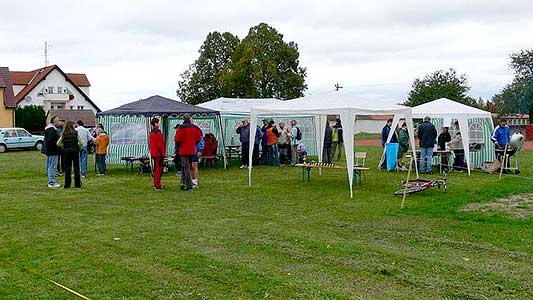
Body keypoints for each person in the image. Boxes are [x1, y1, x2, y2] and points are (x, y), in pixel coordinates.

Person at [175, 114, 202, 191]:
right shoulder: (195, 128)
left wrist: (179, 147)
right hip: (192, 150)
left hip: (183, 150)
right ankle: (182, 183)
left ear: (183, 119)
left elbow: (177, 139)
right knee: (185, 166)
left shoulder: (181, 128)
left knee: (186, 167)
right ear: (190, 119)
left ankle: (189, 185)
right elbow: (198, 139)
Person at [57, 120, 83, 189]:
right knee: (76, 168)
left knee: (67, 168)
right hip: (75, 152)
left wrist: (63, 147)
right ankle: (77, 184)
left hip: (66, 152)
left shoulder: (64, 133)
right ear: (72, 125)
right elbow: (81, 143)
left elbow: (58, 143)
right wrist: (78, 148)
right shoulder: (76, 133)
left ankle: (67, 185)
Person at [149, 117, 166, 191]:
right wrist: (163, 155)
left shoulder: (151, 132)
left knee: (156, 170)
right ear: (156, 123)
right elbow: (160, 145)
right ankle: (157, 186)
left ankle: (156, 185)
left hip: (154, 153)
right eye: (158, 122)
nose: (159, 124)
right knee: (159, 170)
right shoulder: (158, 132)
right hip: (159, 154)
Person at [44, 116, 62, 188]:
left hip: (51, 151)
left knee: (50, 166)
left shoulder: (50, 129)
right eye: (57, 121)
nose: (59, 122)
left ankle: (51, 181)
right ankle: (51, 182)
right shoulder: (51, 130)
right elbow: (51, 141)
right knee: (52, 167)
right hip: (53, 151)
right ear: (54, 122)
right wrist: (58, 144)